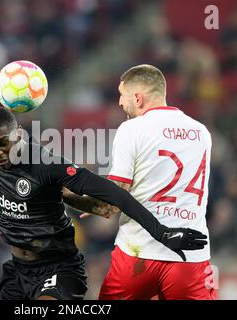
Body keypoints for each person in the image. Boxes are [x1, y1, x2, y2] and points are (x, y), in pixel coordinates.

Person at [0, 65, 207, 300]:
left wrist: (162, 232)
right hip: (17, 270)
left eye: (2, 144)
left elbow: (115, 195)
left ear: (18, 135)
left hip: (58, 268)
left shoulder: (45, 164)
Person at [67, 64, 217, 300]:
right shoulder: (201, 132)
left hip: (138, 253)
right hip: (190, 256)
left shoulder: (132, 129)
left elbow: (111, 205)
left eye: (122, 95)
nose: (119, 103)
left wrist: (71, 198)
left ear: (137, 97)